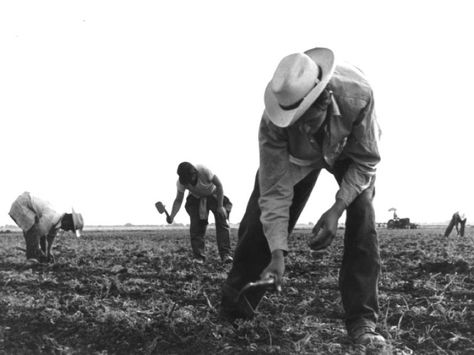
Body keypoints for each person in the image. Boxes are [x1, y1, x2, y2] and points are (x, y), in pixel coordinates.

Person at [220, 47, 385, 345]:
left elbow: (367, 161)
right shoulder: (275, 123)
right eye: (296, 121)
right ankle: (236, 309)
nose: (305, 127)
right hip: (298, 159)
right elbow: (274, 192)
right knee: (257, 222)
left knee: (363, 217)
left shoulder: (358, 96)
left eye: (310, 118)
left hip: (349, 152)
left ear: (326, 98)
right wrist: (277, 254)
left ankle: (362, 321)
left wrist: (336, 209)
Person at [166, 162, 233, 264]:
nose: (190, 183)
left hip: (213, 194)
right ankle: (199, 257)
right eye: (187, 182)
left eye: (191, 179)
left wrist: (220, 206)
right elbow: (179, 200)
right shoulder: (181, 183)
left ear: (195, 173)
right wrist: (172, 215)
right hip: (196, 198)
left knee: (222, 220)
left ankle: (225, 255)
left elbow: (219, 186)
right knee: (196, 226)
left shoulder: (204, 171)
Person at [9, 191, 84, 263]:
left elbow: (49, 238)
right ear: (67, 221)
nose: (68, 230)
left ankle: (37, 256)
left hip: (28, 205)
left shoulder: (57, 223)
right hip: (22, 204)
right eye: (70, 227)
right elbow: (37, 232)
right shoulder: (51, 217)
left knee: (37, 232)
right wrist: (40, 252)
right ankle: (32, 259)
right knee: (33, 231)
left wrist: (48, 253)